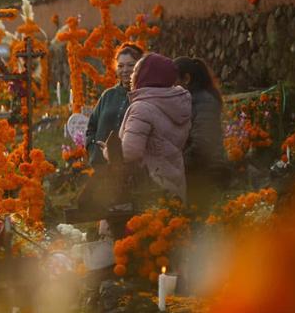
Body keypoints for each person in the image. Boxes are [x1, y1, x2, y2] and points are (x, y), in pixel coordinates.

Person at [119, 52, 192, 201]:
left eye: (135, 71)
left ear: (145, 75)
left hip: (148, 189)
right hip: (175, 180)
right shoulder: (179, 103)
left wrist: (108, 150)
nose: (132, 76)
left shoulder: (141, 108)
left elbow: (129, 152)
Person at [174, 56, 229, 211]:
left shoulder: (204, 102)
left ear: (186, 79)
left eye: (174, 81)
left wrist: (177, 166)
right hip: (197, 175)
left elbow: (203, 144)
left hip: (207, 176)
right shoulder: (190, 101)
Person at [86, 43, 143, 165]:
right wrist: (92, 150)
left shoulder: (144, 97)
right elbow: (91, 127)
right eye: (121, 66)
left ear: (139, 67)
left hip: (128, 168)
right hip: (101, 166)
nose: (125, 70)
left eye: (130, 65)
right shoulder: (108, 95)